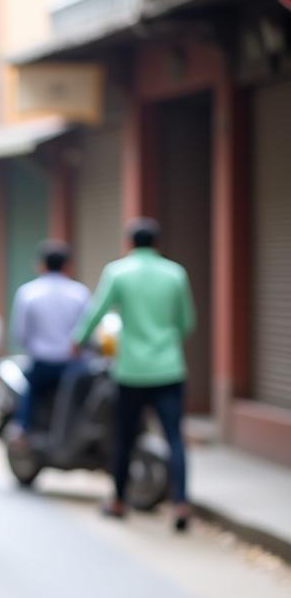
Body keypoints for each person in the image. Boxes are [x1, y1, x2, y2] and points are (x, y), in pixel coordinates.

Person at [73, 217, 196, 530]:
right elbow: (187, 323)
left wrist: (78, 340)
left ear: (129, 244)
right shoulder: (176, 273)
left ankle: (118, 500)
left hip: (131, 371)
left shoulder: (118, 272)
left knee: (125, 436)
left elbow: (96, 312)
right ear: (158, 244)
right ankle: (180, 504)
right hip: (169, 368)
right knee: (174, 437)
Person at [10, 240, 90, 439]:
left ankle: (22, 430)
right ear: (67, 266)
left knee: (29, 392)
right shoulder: (80, 293)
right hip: (73, 366)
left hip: (42, 364)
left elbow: (20, 334)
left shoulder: (27, 292)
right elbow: (89, 330)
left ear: (42, 265)